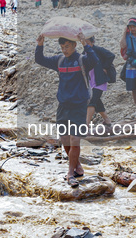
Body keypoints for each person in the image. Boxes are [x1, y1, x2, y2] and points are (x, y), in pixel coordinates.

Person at [35, 33, 98, 187]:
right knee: (64, 139)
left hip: (79, 106)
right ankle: (76, 165)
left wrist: (86, 45)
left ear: (74, 45)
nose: (64, 50)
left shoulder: (82, 60)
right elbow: (40, 60)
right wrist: (40, 45)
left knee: (75, 139)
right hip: (63, 106)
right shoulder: (59, 60)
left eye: (67, 47)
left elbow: (95, 61)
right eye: (62, 47)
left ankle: (70, 173)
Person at [84, 36, 114, 130]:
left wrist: (104, 67)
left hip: (99, 80)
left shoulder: (98, 49)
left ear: (92, 42)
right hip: (90, 81)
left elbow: (111, 55)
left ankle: (86, 125)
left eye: (87, 43)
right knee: (97, 100)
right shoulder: (84, 52)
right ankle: (107, 120)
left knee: (91, 101)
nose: (86, 44)